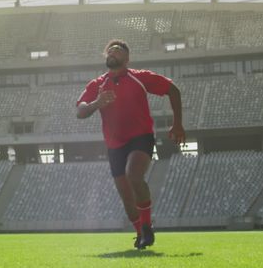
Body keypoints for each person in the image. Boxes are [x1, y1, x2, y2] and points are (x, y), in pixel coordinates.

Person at [76, 40, 186, 250]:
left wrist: (178, 124)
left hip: (141, 136)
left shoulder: (140, 77)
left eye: (118, 51)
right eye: (110, 50)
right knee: (126, 196)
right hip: (115, 144)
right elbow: (80, 111)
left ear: (127, 59)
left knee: (133, 175)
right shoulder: (96, 85)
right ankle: (140, 234)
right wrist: (96, 104)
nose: (113, 52)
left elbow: (173, 90)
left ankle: (146, 228)